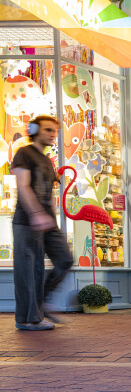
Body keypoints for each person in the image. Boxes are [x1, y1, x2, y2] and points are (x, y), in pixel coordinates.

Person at [12, 115, 73, 331]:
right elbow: (23, 186)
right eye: (48, 130)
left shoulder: (47, 160)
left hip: (48, 222)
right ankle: (27, 319)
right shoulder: (23, 153)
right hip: (26, 221)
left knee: (65, 259)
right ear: (34, 129)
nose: (52, 134)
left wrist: (51, 216)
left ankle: (42, 304)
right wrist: (37, 213)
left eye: (54, 131)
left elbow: (49, 193)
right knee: (29, 270)